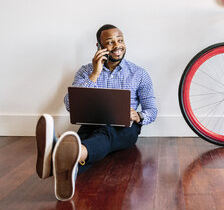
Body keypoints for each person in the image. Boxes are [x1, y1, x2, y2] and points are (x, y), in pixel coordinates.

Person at [35, 24, 158, 201]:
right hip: (91, 124)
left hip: (125, 129)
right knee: (89, 140)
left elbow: (152, 110)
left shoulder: (139, 74)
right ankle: (65, 165)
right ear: (99, 47)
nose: (117, 45)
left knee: (105, 133)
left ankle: (59, 149)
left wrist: (138, 115)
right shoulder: (86, 71)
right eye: (110, 42)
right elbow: (71, 104)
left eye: (120, 40)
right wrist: (95, 73)